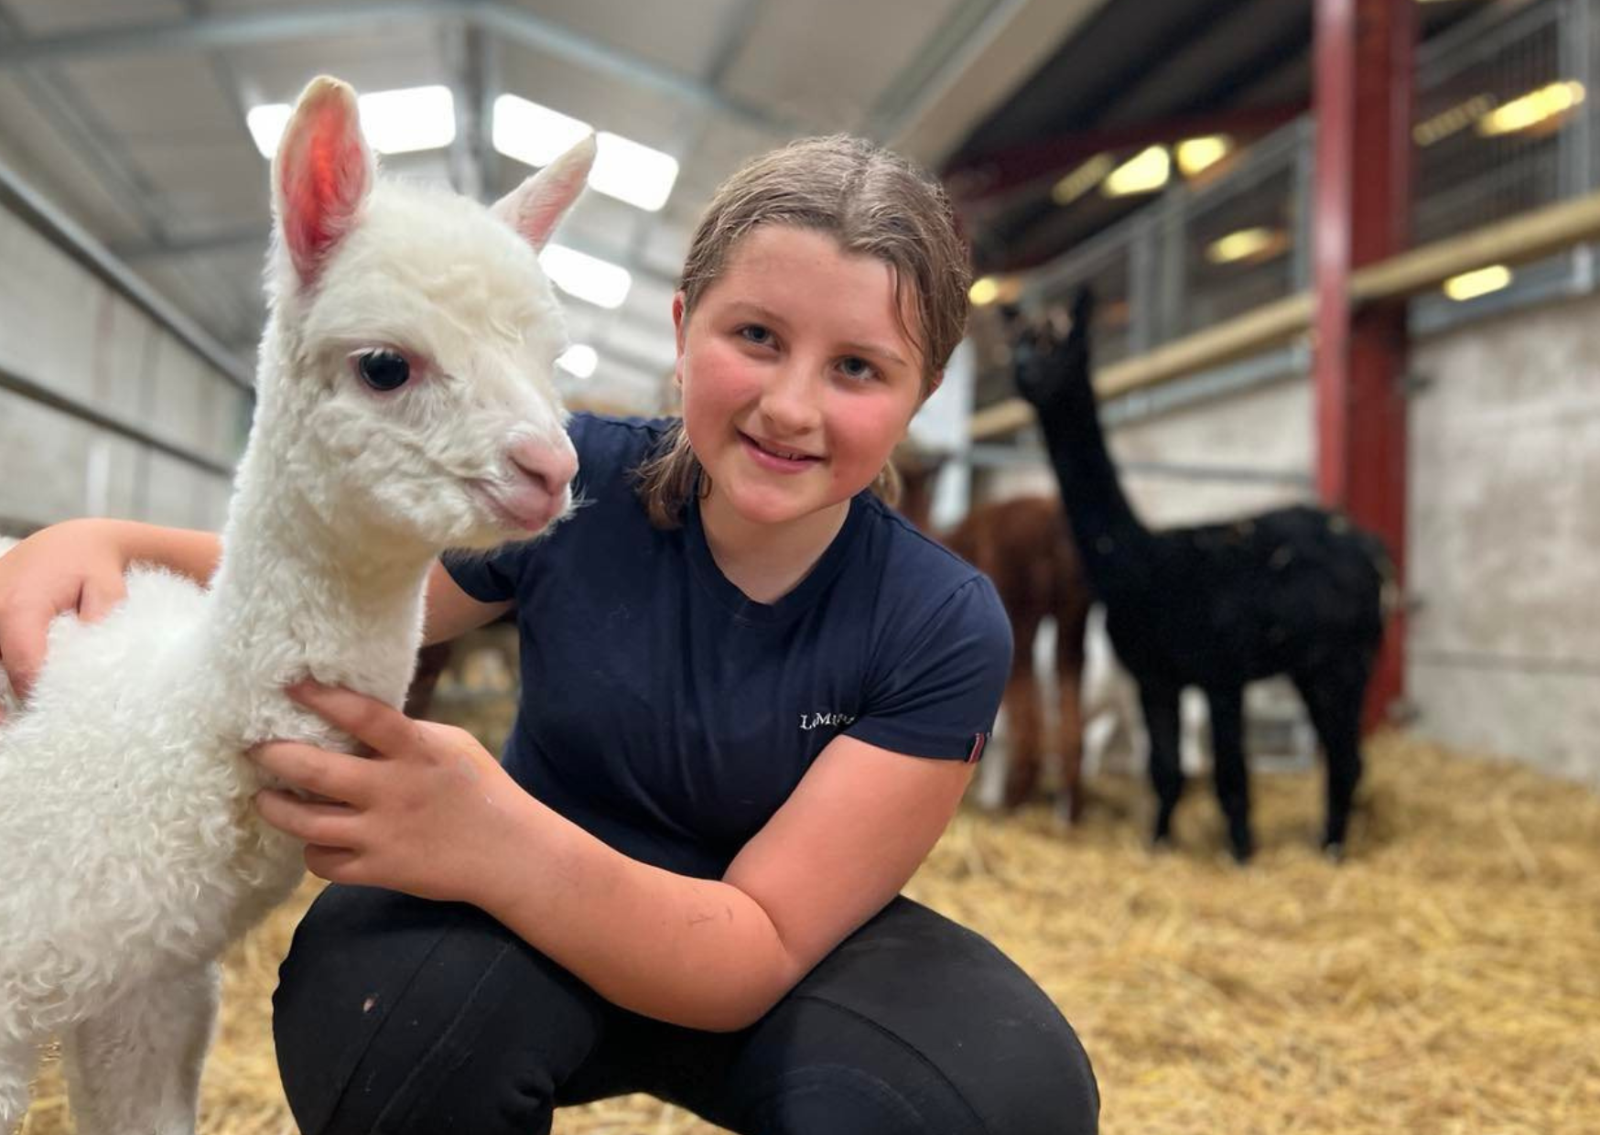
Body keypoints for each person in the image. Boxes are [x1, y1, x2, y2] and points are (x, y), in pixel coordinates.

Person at [0, 136, 1098, 1134]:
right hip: (523, 935)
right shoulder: (590, 481)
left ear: (922, 392)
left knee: (1002, 1096)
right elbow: (345, 571)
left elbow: (754, 943)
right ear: (684, 330)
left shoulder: (940, 620)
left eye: (856, 367)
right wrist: (106, 538)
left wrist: (489, 834)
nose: (790, 407)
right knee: (374, 1017)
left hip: (766, 954)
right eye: (756, 336)